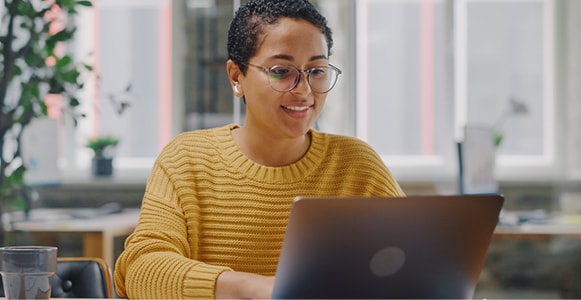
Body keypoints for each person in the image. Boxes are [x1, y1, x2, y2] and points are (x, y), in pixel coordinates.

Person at [113, 0, 405, 298]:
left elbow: (416, 266)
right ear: (236, 76)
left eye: (316, 71)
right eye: (281, 71)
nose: (304, 90)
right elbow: (141, 270)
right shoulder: (187, 159)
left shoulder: (357, 165)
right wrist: (255, 288)